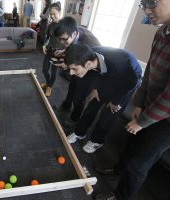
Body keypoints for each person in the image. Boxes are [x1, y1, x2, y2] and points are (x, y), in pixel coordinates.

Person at [94, 0, 170, 199]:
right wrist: (138, 103)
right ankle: (118, 171)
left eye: (152, 3)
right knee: (131, 144)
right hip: (151, 105)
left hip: (167, 120)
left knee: (139, 164)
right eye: (143, 4)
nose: (146, 10)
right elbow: (150, 73)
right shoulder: (161, 32)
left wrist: (143, 121)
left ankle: (120, 196)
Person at [65, 44, 142, 154]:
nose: (71, 73)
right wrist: (95, 88)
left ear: (87, 64)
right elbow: (96, 72)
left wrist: (115, 101)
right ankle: (79, 133)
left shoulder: (119, 64)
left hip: (126, 81)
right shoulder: (89, 56)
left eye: (74, 69)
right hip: (108, 76)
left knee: (108, 114)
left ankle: (97, 141)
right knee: (92, 105)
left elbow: (132, 83)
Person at [53, 17, 101, 127]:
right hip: (80, 63)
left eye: (64, 39)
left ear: (74, 34)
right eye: (59, 39)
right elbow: (72, 45)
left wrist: (72, 66)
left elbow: (93, 62)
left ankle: (74, 118)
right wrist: (64, 50)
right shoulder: (71, 31)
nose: (62, 42)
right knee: (73, 85)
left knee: (80, 94)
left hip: (90, 68)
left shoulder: (89, 43)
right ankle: (66, 106)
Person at [40, 2, 63, 97]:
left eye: (54, 14)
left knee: (54, 72)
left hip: (58, 52)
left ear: (60, 13)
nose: (52, 16)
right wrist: (44, 45)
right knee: (44, 70)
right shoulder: (50, 25)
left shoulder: (63, 26)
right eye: (51, 14)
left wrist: (63, 53)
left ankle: (49, 86)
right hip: (49, 50)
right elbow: (48, 37)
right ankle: (48, 83)